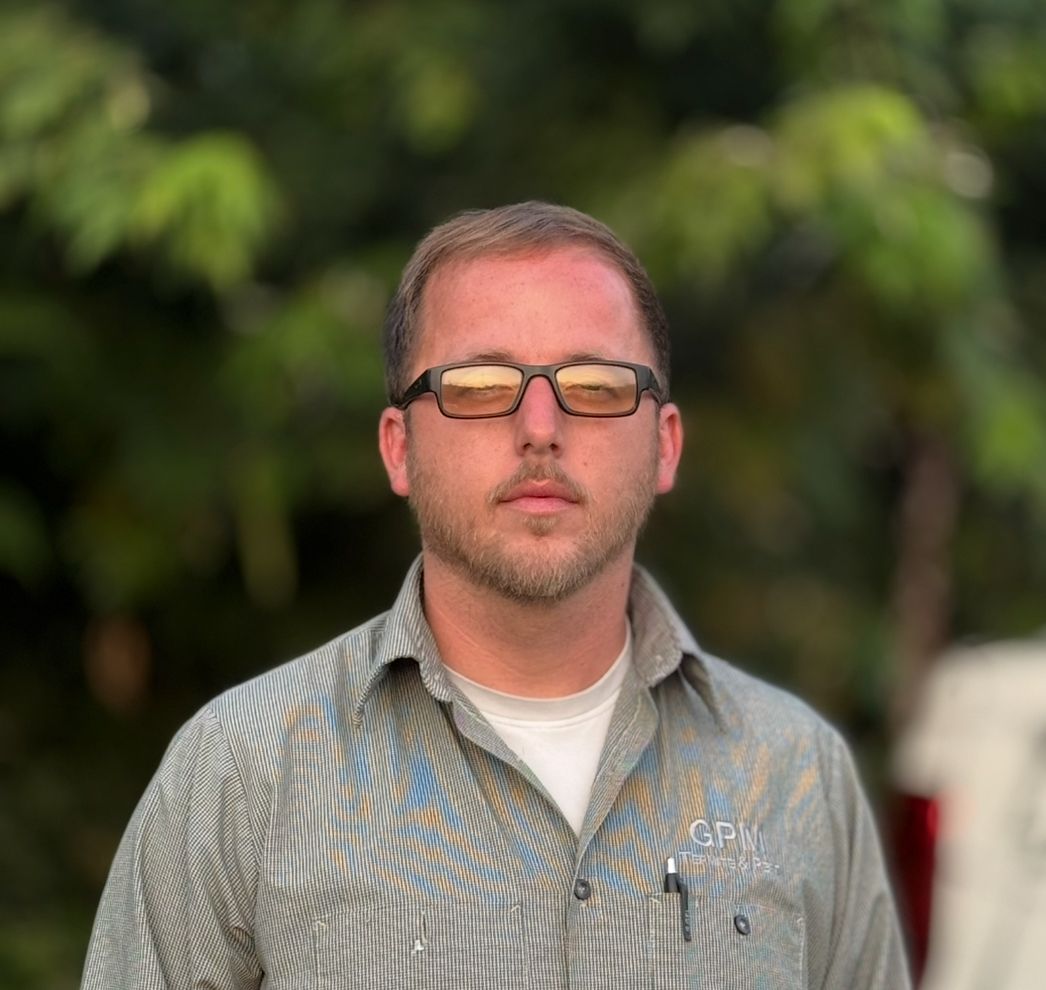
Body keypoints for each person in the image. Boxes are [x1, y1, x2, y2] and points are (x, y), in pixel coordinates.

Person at [82, 201, 911, 989]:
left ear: (664, 445)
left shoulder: (798, 774)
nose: (541, 426)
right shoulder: (242, 770)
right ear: (399, 448)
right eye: (479, 386)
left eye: (594, 383)